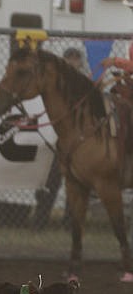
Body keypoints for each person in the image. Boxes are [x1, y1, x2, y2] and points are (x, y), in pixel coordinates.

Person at [33, 46, 87, 229]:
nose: (72, 61)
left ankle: (69, 223)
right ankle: (40, 221)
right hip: (60, 141)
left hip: (80, 143)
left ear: (80, 62)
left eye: (76, 58)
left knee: (76, 183)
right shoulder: (55, 83)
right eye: (69, 57)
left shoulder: (85, 85)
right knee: (52, 181)